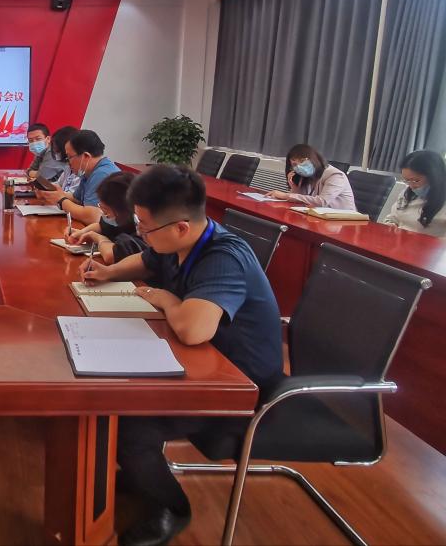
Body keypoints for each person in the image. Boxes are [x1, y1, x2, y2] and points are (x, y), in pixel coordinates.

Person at [80, 165, 283, 546]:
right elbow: (146, 261)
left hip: (239, 386)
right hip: (201, 364)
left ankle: (171, 507)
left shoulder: (223, 256)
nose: (140, 234)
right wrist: (106, 273)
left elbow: (193, 330)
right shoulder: (178, 243)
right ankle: (141, 471)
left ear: (181, 227)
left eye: (144, 227)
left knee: (128, 423)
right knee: (110, 398)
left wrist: (167, 299)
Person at [39, 129, 120, 225]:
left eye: (69, 157)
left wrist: (61, 200)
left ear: (86, 156)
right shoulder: (89, 171)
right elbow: (76, 199)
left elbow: (93, 217)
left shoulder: (102, 174)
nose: (68, 162)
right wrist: (53, 193)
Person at [64, 172, 146, 263]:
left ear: (121, 210)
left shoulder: (140, 229)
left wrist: (99, 238)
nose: (103, 214)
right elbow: (102, 226)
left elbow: (111, 256)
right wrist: (82, 233)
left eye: (106, 211)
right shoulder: (118, 218)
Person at [264, 144, 356, 210]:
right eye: (294, 164)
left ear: (314, 159)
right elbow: (302, 200)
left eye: (302, 161)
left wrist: (285, 195)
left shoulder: (335, 175)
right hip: (319, 216)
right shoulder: (307, 176)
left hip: (344, 221)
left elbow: (322, 201)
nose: (299, 166)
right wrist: (294, 187)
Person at [384, 150, 446, 237]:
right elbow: (392, 218)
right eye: (407, 181)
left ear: (434, 177)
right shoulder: (406, 193)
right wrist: (390, 225)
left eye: (416, 180)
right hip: (401, 241)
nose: (411, 186)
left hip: (429, 244)